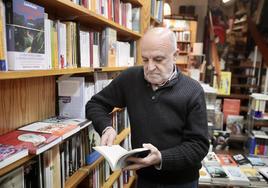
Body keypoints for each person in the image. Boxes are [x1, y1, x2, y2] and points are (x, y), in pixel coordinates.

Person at [86, 27, 209, 188]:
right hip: (144, 179)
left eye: (158, 59)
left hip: (182, 182)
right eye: (145, 59)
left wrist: (161, 157)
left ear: (175, 56)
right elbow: (95, 104)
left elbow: (199, 146)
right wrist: (106, 128)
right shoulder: (130, 79)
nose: (150, 67)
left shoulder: (192, 91)